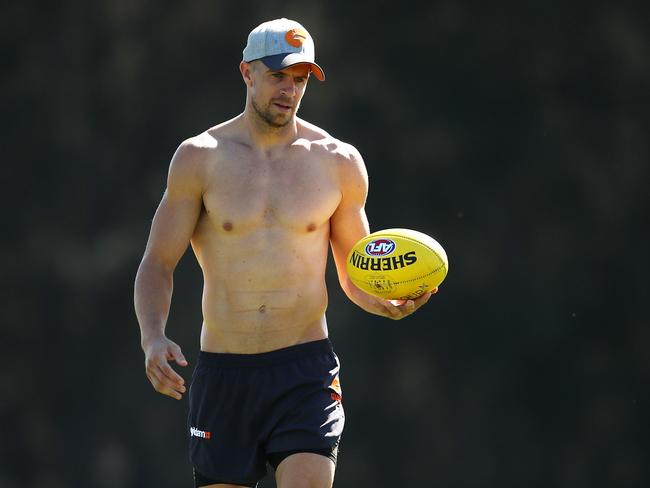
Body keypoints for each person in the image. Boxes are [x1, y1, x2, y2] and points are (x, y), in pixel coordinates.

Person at [134, 17, 435, 488]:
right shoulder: (200, 157)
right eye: (278, 76)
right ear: (246, 73)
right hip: (224, 372)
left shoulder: (338, 162)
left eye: (299, 80)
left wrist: (382, 302)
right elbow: (158, 261)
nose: (289, 90)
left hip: (304, 370)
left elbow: (356, 271)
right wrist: (153, 336)